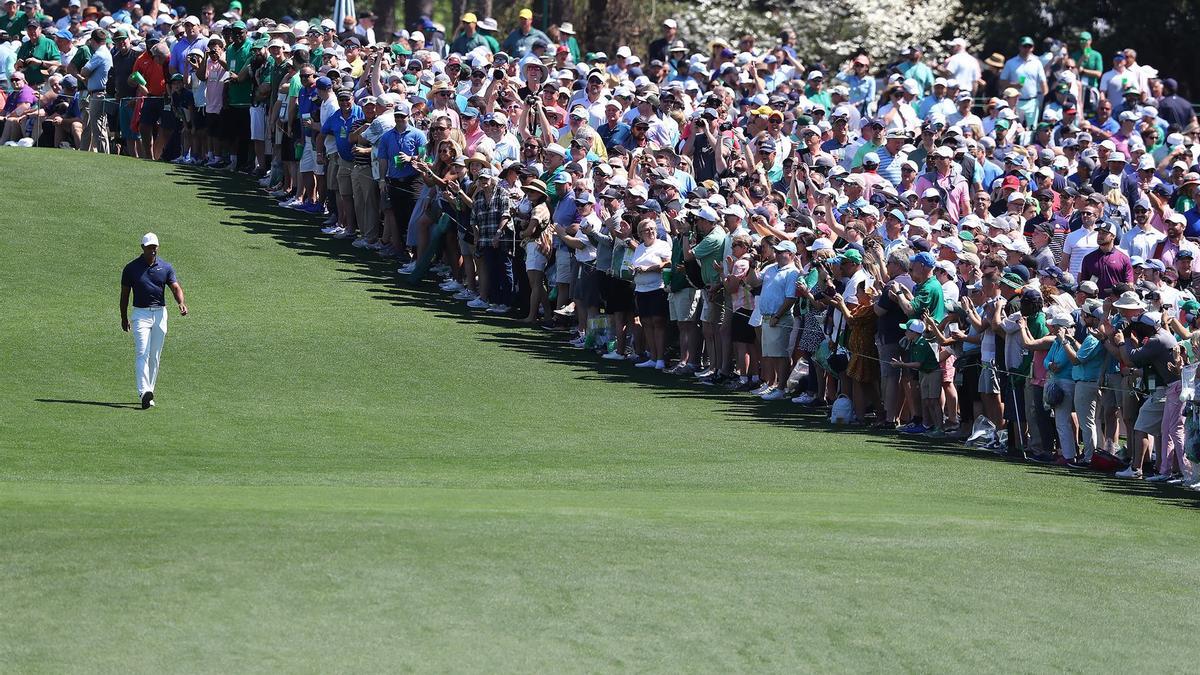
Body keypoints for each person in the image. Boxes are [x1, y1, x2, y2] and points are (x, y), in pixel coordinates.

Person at [119, 232, 188, 409]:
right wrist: (123, 317)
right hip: (140, 315)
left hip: (160, 314)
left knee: (155, 355)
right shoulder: (131, 268)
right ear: (142, 248)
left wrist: (181, 303)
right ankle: (143, 391)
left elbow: (175, 287)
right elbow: (125, 295)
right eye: (149, 247)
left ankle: (149, 393)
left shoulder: (165, 267)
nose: (152, 250)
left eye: (155, 247)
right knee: (142, 352)